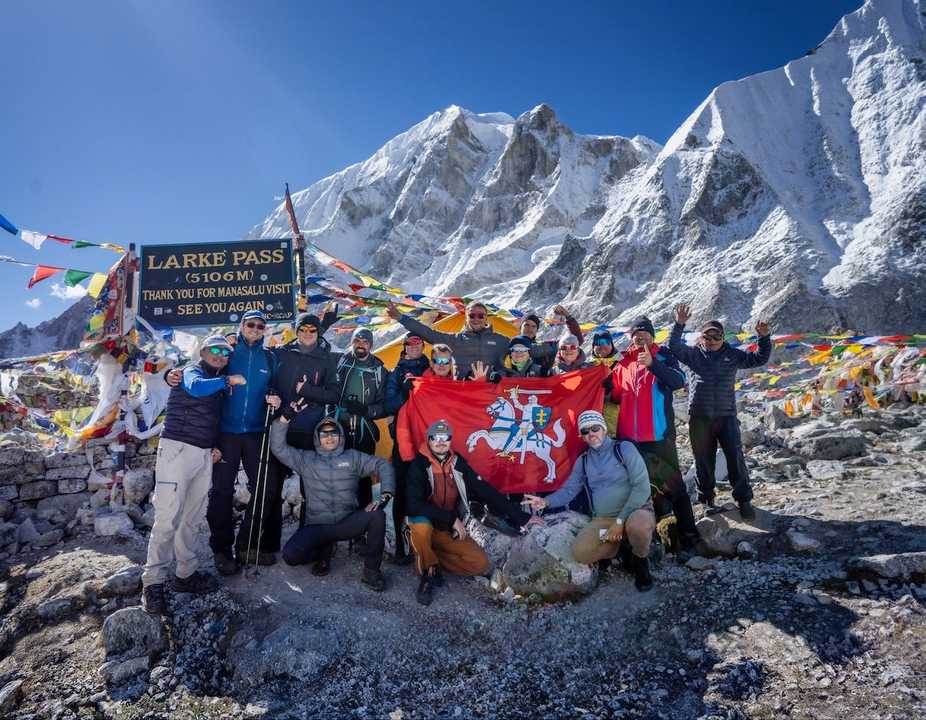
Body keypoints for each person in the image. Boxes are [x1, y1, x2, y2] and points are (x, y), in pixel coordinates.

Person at [142, 336, 246, 615]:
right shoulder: (191, 371)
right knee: (167, 518)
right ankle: (153, 583)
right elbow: (195, 389)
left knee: (192, 517)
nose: (220, 355)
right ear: (202, 351)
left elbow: (214, 417)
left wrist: (214, 446)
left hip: (202, 453)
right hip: (177, 449)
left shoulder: (218, 380)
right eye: (215, 349)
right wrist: (228, 381)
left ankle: (185, 575)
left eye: (225, 352)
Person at [405, 419, 541, 605]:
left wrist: (522, 517)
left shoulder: (457, 463)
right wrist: (452, 518)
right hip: (427, 524)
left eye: (445, 437)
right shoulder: (418, 465)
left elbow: (485, 490)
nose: (440, 441)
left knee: (479, 564)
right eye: (435, 437)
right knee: (420, 525)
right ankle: (427, 574)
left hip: (446, 530)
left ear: (450, 440)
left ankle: (426, 555)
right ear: (428, 440)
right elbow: (413, 506)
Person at [524, 410, 655, 592]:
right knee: (581, 551)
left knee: (638, 527)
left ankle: (640, 561)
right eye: (585, 431)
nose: (591, 434)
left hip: (634, 512)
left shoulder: (623, 449)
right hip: (604, 521)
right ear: (582, 437)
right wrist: (546, 502)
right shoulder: (583, 461)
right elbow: (570, 490)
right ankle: (621, 544)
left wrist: (620, 521)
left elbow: (642, 487)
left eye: (595, 428)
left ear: (604, 428)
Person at [607, 316, 701, 557]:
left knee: (675, 488)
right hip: (629, 441)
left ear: (652, 335)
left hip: (659, 439)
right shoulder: (622, 364)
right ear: (631, 337)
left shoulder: (664, 356)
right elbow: (615, 396)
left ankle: (690, 538)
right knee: (639, 490)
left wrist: (652, 364)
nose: (641, 337)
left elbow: (678, 381)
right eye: (636, 333)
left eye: (645, 333)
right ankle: (654, 537)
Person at [270, 410, 395, 590]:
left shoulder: (353, 457)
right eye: (324, 434)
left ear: (340, 436)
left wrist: (386, 493)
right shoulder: (306, 459)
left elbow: (383, 464)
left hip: (347, 523)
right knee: (291, 556)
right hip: (318, 526)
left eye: (333, 433)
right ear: (317, 437)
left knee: (377, 516)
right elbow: (278, 448)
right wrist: (284, 419)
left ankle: (371, 572)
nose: (329, 438)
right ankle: (323, 550)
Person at [669, 304, 772, 520]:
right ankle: (706, 500)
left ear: (723, 338)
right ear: (702, 338)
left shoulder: (734, 355)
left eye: (716, 336)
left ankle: (743, 500)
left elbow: (760, 359)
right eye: (708, 336)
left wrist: (763, 337)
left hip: (726, 417)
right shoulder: (693, 355)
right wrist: (679, 324)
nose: (712, 340)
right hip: (699, 418)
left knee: (735, 458)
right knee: (703, 461)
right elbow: (674, 347)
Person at [206, 310, 281, 575]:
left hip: (255, 432)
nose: (255, 329)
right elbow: (204, 372)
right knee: (222, 491)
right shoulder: (228, 352)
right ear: (241, 325)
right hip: (225, 432)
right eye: (251, 324)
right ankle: (222, 550)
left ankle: (248, 544)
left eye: (260, 326)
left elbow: (276, 387)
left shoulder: (269, 358)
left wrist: (276, 398)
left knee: (266, 487)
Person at [263, 311, 341, 533]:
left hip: (308, 428)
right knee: (273, 486)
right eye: (303, 329)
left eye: (312, 330)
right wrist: (271, 393)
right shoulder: (282, 353)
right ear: (296, 331)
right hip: (281, 426)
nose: (307, 333)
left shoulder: (326, 358)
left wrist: (308, 390)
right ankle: (269, 542)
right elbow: (269, 381)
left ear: (318, 333)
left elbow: (335, 395)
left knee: (312, 489)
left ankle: (308, 539)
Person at [383, 333, 431, 564]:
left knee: (425, 488)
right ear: (404, 348)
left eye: (417, 343)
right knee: (401, 490)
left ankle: (424, 541)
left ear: (423, 346)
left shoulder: (431, 369)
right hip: (403, 439)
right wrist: (404, 392)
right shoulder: (396, 372)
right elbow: (387, 404)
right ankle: (401, 547)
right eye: (409, 344)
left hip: (427, 441)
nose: (413, 347)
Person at [332, 327, 389, 508]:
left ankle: (363, 519)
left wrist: (367, 411)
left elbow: (385, 405)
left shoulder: (379, 369)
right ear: (352, 342)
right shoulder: (341, 360)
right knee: (340, 470)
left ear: (371, 345)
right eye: (357, 340)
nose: (361, 345)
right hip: (340, 425)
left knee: (363, 473)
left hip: (365, 429)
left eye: (365, 341)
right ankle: (341, 515)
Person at [386, 300, 507, 379]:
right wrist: (401, 318)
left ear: (486, 318)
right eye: (472, 315)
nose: (476, 319)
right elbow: (427, 333)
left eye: (481, 316)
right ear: (466, 318)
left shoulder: (501, 341)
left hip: (491, 394)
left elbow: (522, 354)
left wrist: (499, 375)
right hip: (463, 393)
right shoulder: (455, 340)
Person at [519, 305, 584, 373]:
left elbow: (576, 341)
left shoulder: (544, 347)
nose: (530, 329)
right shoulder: (509, 345)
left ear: (536, 330)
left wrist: (568, 317)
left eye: (534, 326)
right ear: (520, 327)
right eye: (526, 325)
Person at [589, 331, 621, 435]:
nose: (601, 345)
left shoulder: (622, 364)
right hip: (592, 424)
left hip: (617, 423)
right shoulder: (588, 368)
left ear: (612, 344)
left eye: (605, 342)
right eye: (597, 343)